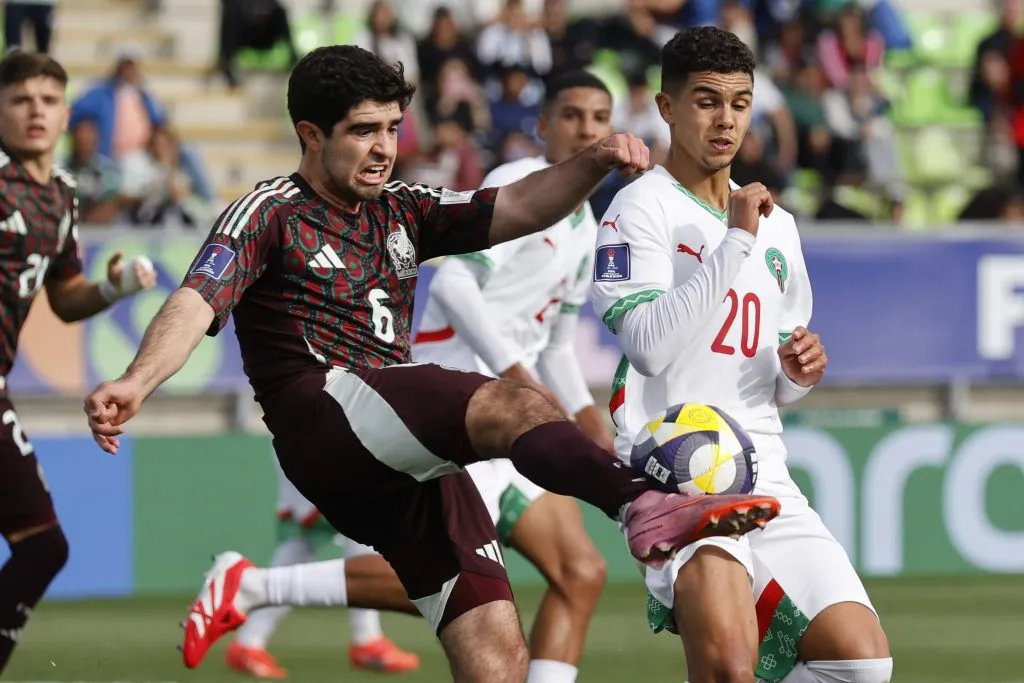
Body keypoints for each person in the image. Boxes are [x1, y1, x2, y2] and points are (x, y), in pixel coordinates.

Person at [84, 45, 779, 683]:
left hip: (400, 457)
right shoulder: (270, 210)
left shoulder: (404, 208)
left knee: (499, 658)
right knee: (515, 403)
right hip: (324, 414)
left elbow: (520, 204)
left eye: (391, 127)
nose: (384, 147)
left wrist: (593, 160)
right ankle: (641, 502)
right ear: (311, 135)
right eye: (363, 130)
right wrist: (137, 379)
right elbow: (196, 299)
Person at [221, 69, 622, 683]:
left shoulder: (585, 226)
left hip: (516, 416)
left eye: (600, 119)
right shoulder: (516, 182)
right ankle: (255, 587)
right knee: (452, 581)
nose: (588, 129)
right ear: (542, 126)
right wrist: (519, 379)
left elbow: (557, 344)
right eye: (573, 116)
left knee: (579, 572)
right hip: (455, 407)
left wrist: (588, 419)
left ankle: (255, 588)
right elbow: (459, 282)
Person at [590, 28, 892, 683]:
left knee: (861, 662)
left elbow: (775, 367)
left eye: (739, 101)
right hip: (678, 474)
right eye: (705, 100)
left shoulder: (777, 223)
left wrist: (798, 371)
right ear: (667, 108)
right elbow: (645, 346)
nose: (725, 118)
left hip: (765, 468)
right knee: (729, 667)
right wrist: (734, 239)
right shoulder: (638, 210)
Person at [0, 51, 157, 675]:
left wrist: (114, 289)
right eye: (19, 100)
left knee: (43, 547)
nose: (35, 111)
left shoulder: (61, 196)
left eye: (46, 100)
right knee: (44, 547)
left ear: (67, 113)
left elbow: (64, 300)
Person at [224, 455, 421, 678]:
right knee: (367, 518)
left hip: (312, 441)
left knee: (302, 542)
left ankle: (248, 641)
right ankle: (367, 639)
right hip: (316, 444)